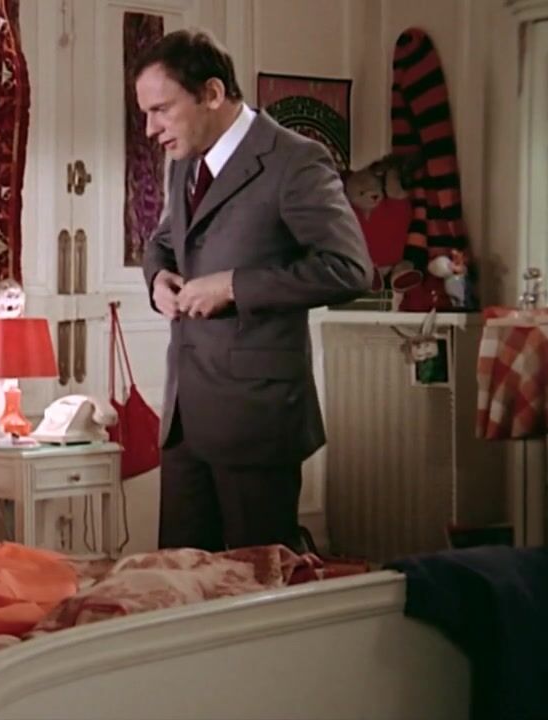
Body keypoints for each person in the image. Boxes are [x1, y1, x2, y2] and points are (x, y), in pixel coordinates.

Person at [136, 30, 372, 552]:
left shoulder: (295, 161)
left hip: (257, 420)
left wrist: (234, 286)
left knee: (255, 582)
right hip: (185, 420)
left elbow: (350, 269)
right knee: (178, 580)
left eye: (161, 110)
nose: (151, 129)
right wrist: (157, 279)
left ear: (212, 93)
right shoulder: (185, 162)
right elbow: (163, 242)